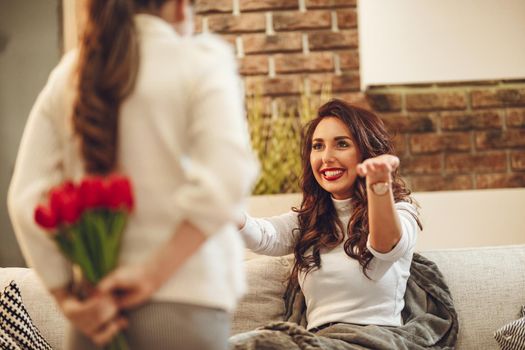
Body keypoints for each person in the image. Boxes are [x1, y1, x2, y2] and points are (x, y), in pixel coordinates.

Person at [7, 0, 257, 349]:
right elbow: (227, 178)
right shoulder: (201, 61)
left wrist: (67, 298)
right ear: (182, 6)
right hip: (188, 310)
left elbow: (25, 200)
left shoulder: (71, 73)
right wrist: (151, 275)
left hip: (97, 320)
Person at [234, 99, 423, 345]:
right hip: (319, 341)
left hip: (376, 340)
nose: (326, 157)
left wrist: (378, 186)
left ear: (367, 151)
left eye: (341, 144)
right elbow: (266, 236)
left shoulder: (401, 211)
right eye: (317, 146)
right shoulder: (311, 220)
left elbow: (386, 246)